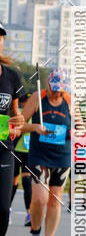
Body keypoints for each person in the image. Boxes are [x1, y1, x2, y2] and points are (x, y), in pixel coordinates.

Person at [22, 68, 73, 236]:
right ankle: (35, 234)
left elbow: (80, 126)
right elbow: (19, 124)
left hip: (61, 156)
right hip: (39, 155)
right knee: (39, 199)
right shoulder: (37, 97)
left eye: (61, 90)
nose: (57, 93)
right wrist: (35, 127)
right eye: (54, 89)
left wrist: (75, 132)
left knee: (55, 200)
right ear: (48, 85)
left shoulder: (69, 100)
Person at [0, 24, 26, 236]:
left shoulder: (11, 77)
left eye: (0, 38)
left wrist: (17, 120)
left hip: (3, 151)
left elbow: (15, 114)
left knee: (2, 209)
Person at [11, 92, 32, 226]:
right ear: (22, 103)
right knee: (13, 183)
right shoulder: (18, 114)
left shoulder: (35, 115)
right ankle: (7, 209)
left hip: (29, 152)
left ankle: (29, 213)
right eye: (26, 102)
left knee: (26, 181)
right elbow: (17, 129)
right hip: (16, 151)